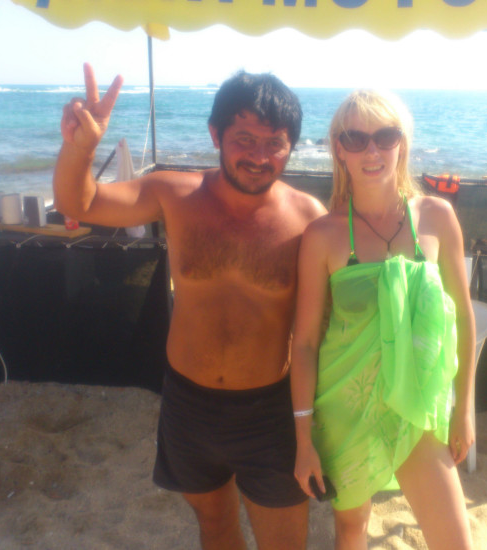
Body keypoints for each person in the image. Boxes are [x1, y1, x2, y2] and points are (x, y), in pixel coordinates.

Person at [53, 63, 326, 550]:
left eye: (275, 143)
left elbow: (326, 326)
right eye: (244, 139)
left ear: (291, 147)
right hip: (188, 403)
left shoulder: (308, 219)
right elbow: (80, 203)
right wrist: (81, 148)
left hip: (270, 411)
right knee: (215, 527)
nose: (259, 157)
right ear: (216, 134)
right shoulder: (174, 194)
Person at [290, 89, 475, 549]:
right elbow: (306, 342)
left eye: (385, 136)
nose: (371, 151)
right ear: (339, 149)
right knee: (352, 529)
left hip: (417, 403)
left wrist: (464, 410)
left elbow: (463, 318)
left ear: (402, 143)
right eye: (356, 139)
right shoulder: (323, 235)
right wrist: (303, 439)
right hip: (346, 404)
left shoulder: (437, 217)